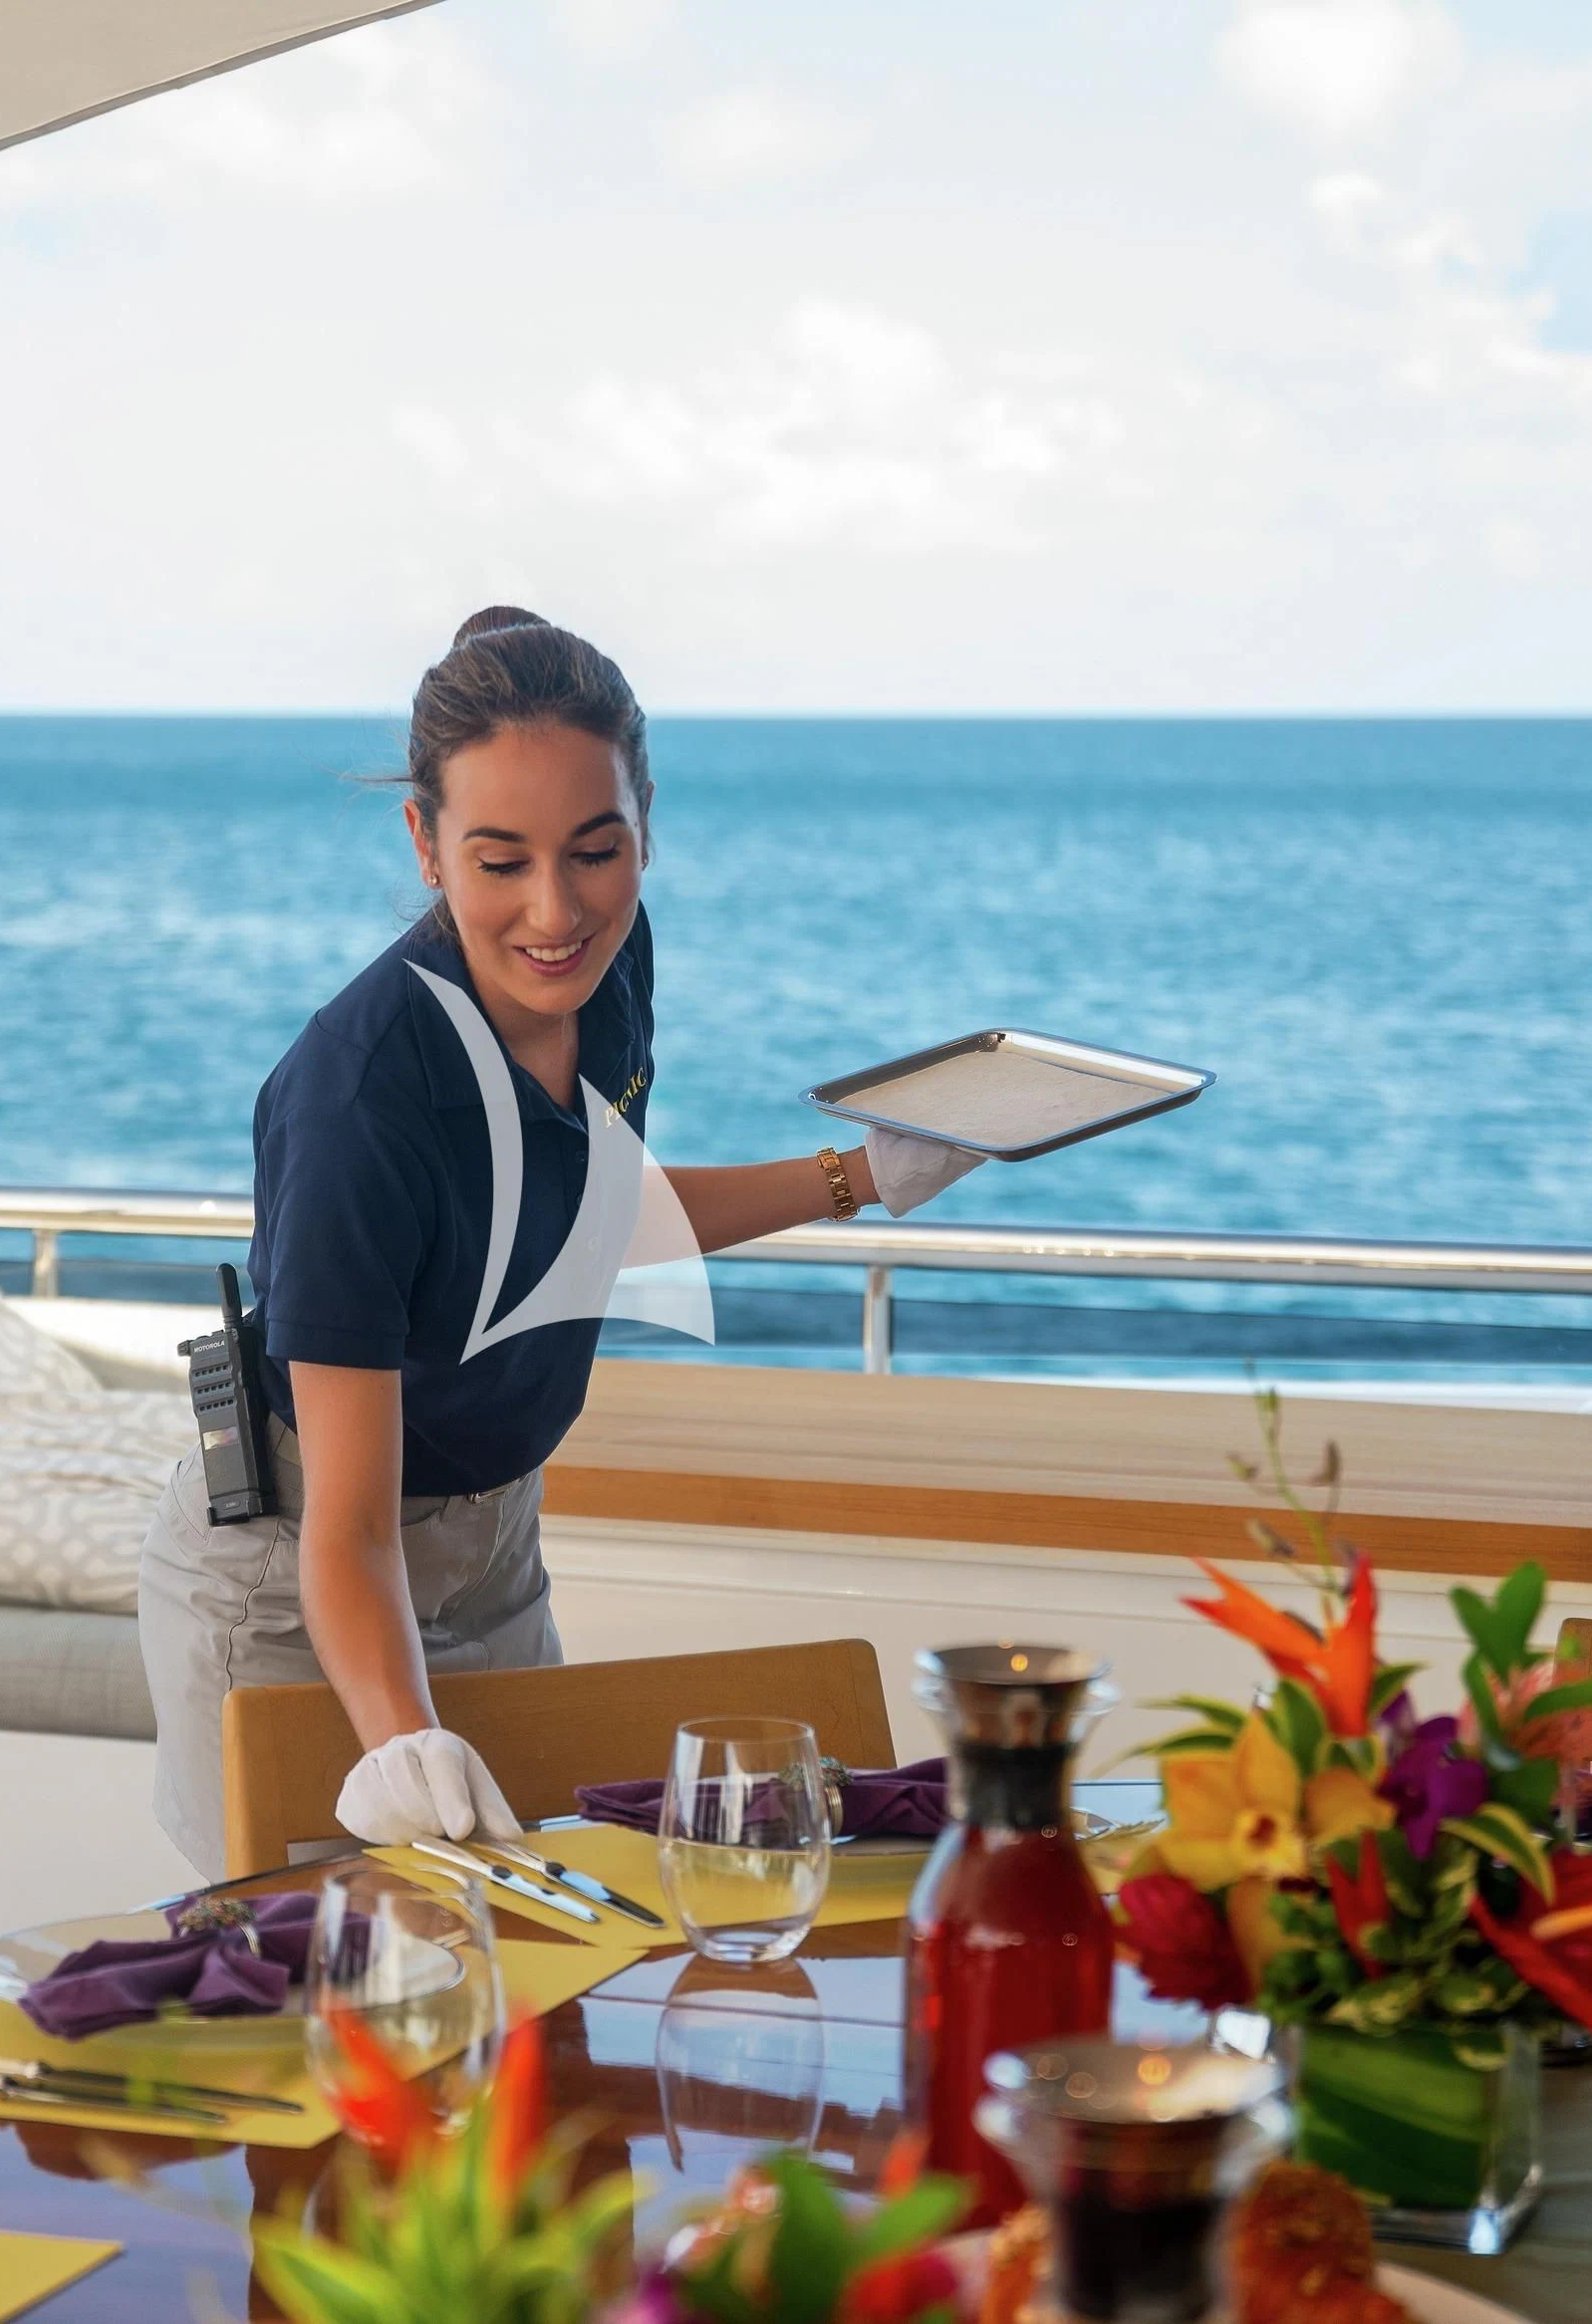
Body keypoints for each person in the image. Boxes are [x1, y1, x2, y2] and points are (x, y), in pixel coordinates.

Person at [135, 609, 977, 1877]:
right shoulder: (361, 1094)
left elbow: (586, 1220)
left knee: (540, 1987)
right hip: (297, 1580)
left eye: (596, 851)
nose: (554, 911)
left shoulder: (609, 963)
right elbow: (350, 1528)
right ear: (423, 843)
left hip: (494, 1556)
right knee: (322, 1998)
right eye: (499, 861)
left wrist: (861, 1175)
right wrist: (402, 1738)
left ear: (645, 821)